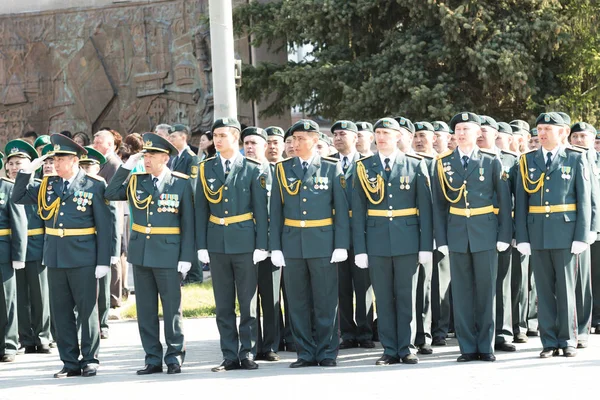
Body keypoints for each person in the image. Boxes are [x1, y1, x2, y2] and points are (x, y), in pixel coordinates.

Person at [13, 134, 113, 378]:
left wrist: (103, 261)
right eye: (54, 159)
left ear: (75, 160)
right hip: (55, 256)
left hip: (84, 256)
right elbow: (18, 197)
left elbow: (105, 226)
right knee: (61, 312)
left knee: (87, 310)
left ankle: (90, 359)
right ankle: (69, 361)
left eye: (61, 159)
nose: (56, 163)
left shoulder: (94, 184)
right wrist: (26, 172)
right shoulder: (48, 184)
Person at [105, 133, 193, 375]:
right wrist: (126, 167)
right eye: (146, 156)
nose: (147, 160)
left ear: (165, 158)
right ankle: (152, 358)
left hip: (168, 254)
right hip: (141, 254)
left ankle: (174, 355)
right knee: (145, 310)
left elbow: (188, 224)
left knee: (172, 308)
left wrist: (186, 257)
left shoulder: (180, 183)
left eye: (152, 156)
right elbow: (111, 193)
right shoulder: (136, 181)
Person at [432, 112, 512, 362]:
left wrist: (503, 234)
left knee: (486, 291)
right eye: (458, 129)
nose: (461, 132)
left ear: (479, 133)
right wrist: (441, 239)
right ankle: (467, 347)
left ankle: (486, 346)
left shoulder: (491, 161)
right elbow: (439, 205)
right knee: (463, 291)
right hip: (456, 232)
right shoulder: (443, 162)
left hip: (485, 231)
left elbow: (503, 199)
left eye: (467, 128)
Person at [352, 117, 432, 365]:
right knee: (383, 298)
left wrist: (425, 246)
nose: (381, 136)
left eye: (387, 132)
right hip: (376, 242)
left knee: (406, 295)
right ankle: (389, 348)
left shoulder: (415, 165)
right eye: (378, 132)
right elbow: (357, 210)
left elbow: (426, 210)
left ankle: (406, 347)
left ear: (399, 136)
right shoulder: (363, 167)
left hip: (407, 240)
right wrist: (360, 249)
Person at [270, 119, 350, 368]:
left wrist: (341, 245)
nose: (295, 143)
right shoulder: (282, 169)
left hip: (323, 242)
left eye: (301, 139)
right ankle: (304, 352)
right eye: (293, 139)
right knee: (298, 300)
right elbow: (276, 211)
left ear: (315, 141)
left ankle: (327, 352)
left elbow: (341, 208)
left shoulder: (331, 167)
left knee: (326, 300)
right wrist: (275, 247)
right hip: (293, 243)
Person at [515, 112, 591, 358]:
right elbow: (522, 203)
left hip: (566, 232)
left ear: (562, 132)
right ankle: (548, 341)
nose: (542, 133)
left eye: (548, 129)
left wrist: (583, 234)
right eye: (540, 128)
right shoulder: (527, 161)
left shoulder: (576, 158)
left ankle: (568, 339)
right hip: (538, 233)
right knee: (544, 290)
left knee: (567, 289)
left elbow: (586, 199)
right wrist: (522, 237)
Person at [196, 118, 269, 372]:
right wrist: (201, 244)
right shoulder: (205, 168)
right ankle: (229, 354)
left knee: (248, 303)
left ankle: (247, 352)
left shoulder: (252, 167)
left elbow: (261, 209)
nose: (217, 140)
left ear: (235, 138)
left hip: (245, 242)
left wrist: (262, 245)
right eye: (215, 135)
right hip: (217, 242)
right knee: (223, 303)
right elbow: (200, 209)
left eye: (222, 135)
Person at [330, 120, 375, 350]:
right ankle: (347, 332)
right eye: (335, 134)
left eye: (343, 134)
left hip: (362, 232)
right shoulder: (327, 164)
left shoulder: (367, 164)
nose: (338, 138)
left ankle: (365, 332)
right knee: (342, 285)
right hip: (337, 232)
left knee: (363, 284)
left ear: (355, 138)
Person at [4, 140, 51, 356]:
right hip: (11, 248)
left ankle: (42, 336)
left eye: (19, 163)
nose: (15, 167)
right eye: (11, 163)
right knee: (19, 295)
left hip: (36, 245)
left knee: (40, 295)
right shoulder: (5, 187)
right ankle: (25, 337)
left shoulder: (39, 186)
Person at [240, 126, 281, 362]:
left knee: (271, 296)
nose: (249, 147)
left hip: (270, 243)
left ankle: (270, 344)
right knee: (248, 297)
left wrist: (274, 245)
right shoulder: (239, 170)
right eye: (246, 143)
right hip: (246, 242)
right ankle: (251, 344)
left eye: (254, 143)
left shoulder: (275, 171)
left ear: (265, 146)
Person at [478, 116, 518, 353]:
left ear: (495, 134)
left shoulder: (510, 160)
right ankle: (479, 331)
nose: (481, 135)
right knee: (477, 281)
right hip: (475, 227)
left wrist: (512, 231)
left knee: (502, 281)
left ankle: (502, 332)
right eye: (478, 131)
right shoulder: (468, 158)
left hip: (502, 225)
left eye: (486, 131)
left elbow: (517, 197)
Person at [567, 121, 599, 348]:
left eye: (583, 136)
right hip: (577, 228)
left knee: (594, 277)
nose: (578, 140)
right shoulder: (568, 159)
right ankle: (583, 323)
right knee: (582, 278)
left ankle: (591, 321)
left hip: (594, 226)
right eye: (575, 136)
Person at [265, 126, 295, 352]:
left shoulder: (290, 170)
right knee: (271, 295)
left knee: (294, 292)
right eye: (269, 142)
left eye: (277, 142)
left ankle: (294, 337)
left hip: (293, 238)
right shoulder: (259, 170)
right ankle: (273, 340)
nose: (273, 146)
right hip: (268, 242)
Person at [93, 129, 123, 334]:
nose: (94, 144)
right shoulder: (99, 163)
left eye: (98, 142)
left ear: (111, 145)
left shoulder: (112, 165)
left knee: (108, 270)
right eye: (93, 141)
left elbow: (112, 202)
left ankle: (107, 312)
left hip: (107, 226)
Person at [411, 121, 438, 355]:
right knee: (413, 288)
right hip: (410, 234)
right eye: (415, 136)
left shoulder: (437, 164)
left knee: (426, 288)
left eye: (423, 136)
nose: (419, 140)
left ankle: (425, 335)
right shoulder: (410, 164)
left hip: (432, 234)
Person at [0, 150, 27, 363]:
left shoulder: (8, 187)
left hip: (3, 250)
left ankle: (9, 344)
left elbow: (18, 222)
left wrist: (18, 255)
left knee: (6, 299)